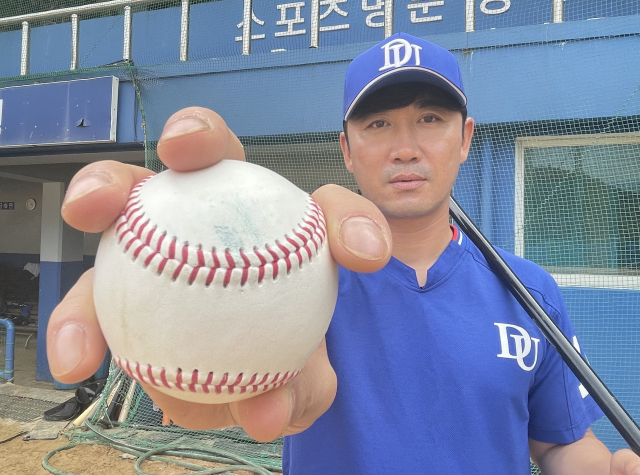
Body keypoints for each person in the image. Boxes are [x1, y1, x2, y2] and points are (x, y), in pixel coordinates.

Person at [47, 32, 640, 474]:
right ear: (347, 150)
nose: (405, 147)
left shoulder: (529, 290)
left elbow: (560, 443)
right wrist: (165, 281)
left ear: (464, 139)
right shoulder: (293, 283)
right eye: (378, 124)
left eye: (430, 119)